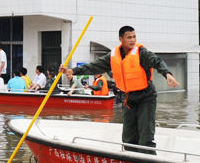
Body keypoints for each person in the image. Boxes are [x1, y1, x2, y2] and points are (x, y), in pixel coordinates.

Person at [62, 26, 180, 154]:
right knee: (128, 138)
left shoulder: (141, 52)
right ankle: (131, 162)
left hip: (146, 96)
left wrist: (167, 74)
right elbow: (94, 67)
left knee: (146, 137)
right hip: (128, 97)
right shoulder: (113, 56)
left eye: (134, 37)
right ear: (121, 39)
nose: (132, 40)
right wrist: (73, 71)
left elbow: (157, 61)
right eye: (129, 37)